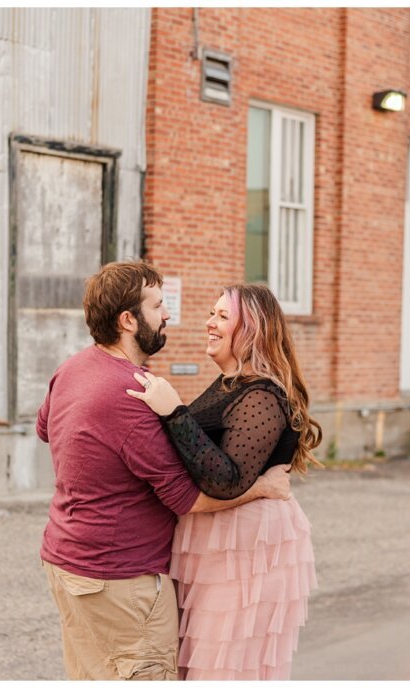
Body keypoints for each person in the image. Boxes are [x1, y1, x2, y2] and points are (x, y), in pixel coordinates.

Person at [36, 261, 292, 681]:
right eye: (158, 306)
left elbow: (45, 427)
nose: (168, 314)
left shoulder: (74, 368)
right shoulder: (131, 392)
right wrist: (263, 487)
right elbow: (185, 498)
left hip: (65, 560)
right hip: (118, 577)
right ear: (128, 320)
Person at [127, 282, 322, 680]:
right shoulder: (230, 384)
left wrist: (174, 412)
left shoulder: (263, 394)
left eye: (221, 317)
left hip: (245, 546)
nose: (209, 323)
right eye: (211, 314)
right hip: (215, 538)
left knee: (222, 666)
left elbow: (225, 479)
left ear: (252, 330)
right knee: (200, 660)